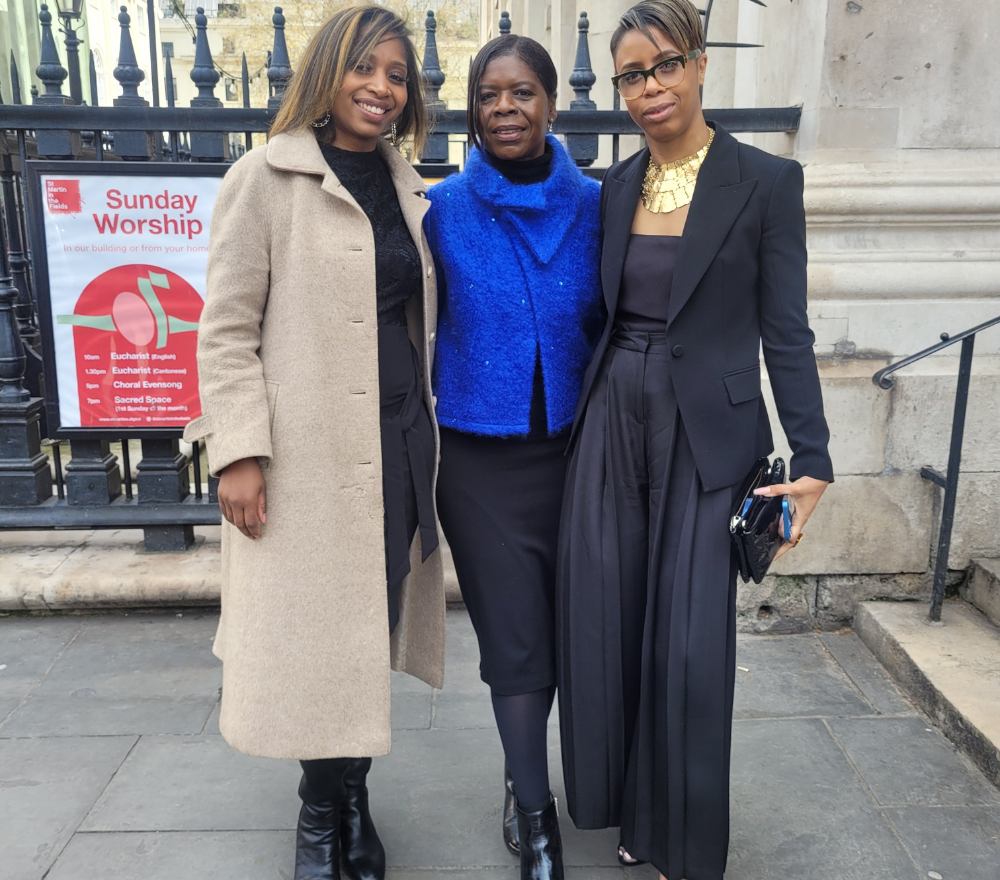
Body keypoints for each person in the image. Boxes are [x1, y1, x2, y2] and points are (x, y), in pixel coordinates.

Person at [555, 2, 834, 879]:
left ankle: (685, 834)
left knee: (687, 638)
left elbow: (786, 330)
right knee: (608, 620)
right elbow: (600, 316)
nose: (650, 88)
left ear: (700, 62)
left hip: (707, 434)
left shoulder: (766, 182)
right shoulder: (615, 188)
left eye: (665, 65)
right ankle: (631, 811)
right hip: (613, 418)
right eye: (632, 75)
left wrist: (814, 457)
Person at [184, 8, 445, 880]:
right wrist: (238, 452)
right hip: (305, 451)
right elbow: (225, 329)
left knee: (369, 623)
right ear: (328, 72)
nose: (381, 87)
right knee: (317, 635)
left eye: (397, 75)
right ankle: (319, 811)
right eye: (365, 68)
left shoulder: (409, 186)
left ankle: (353, 794)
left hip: (398, 441)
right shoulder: (264, 178)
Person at [425, 34, 602, 880]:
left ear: (552, 104)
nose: (504, 108)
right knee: (516, 641)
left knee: (568, 636)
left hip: (581, 458)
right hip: (478, 465)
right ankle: (537, 820)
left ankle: (517, 768)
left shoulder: (600, 205)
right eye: (489, 94)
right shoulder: (440, 209)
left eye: (522, 91)